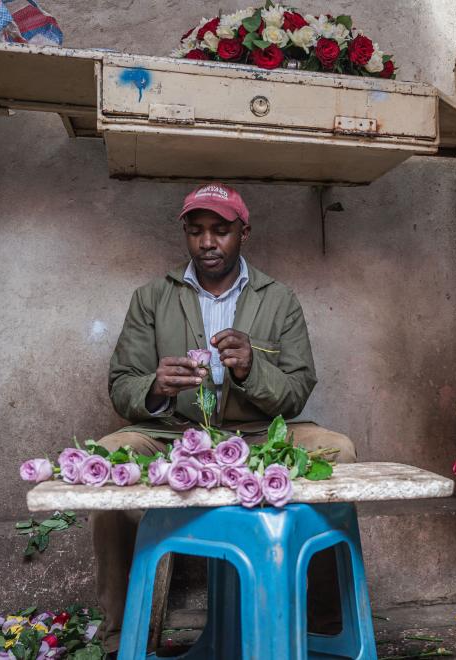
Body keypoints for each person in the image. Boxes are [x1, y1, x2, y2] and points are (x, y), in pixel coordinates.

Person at [92, 183, 357, 652]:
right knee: (110, 459)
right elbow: (121, 385)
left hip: (258, 435)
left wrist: (254, 367)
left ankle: (320, 622)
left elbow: (296, 391)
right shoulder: (152, 297)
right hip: (172, 434)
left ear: (243, 233)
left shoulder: (279, 299)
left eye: (220, 231)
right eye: (196, 232)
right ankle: (122, 636)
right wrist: (155, 387)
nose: (207, 243)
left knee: (339, 450)